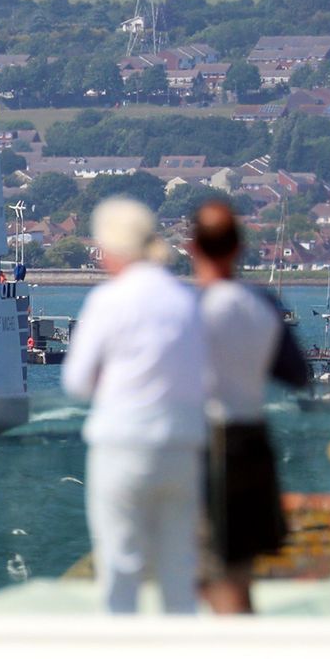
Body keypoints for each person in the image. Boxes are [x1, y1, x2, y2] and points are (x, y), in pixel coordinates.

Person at [61, 198, 207, 614]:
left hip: (123, 443)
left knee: (120, 562)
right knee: (179, 564)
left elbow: (76, 381)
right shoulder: (185, 300)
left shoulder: (109, 301)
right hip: (182, 443)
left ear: (113, 249)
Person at [189, 199, 307, 614]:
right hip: (253, 440)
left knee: (206, 566)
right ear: (239, 248)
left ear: (192, 247)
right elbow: (296, 373)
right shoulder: (264, 304)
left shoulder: (187, 311)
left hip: (203, 442)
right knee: (241, 568)